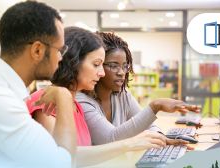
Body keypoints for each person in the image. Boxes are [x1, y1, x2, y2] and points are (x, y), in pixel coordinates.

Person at [26, 26, 169, 167]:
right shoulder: (45, 101)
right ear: (73, 62)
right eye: (96, 64)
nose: (102, 73)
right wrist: (129, 144)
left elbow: (86, 156)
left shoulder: (76, 107)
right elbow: (64, 158)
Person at [75, 31, 201, 145]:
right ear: (99, 65)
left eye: (125, 66)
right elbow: (111, 138)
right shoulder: (80, 101)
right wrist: (155, 105)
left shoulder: (123, 95)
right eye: (114, 66)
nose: (121, 72)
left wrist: (162, 138)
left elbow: (148, 126)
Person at [0, 1, 77, 168]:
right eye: (59, 50)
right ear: (37, 50)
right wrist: (64, 96)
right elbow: (62, 164)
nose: (61, 57)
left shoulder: (8, 90)